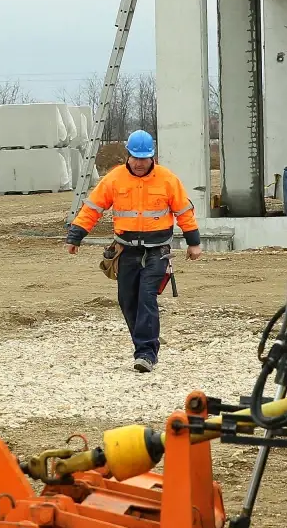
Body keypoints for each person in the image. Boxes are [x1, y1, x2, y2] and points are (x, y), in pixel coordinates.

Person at [66, 130, 202, 373]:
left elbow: (184, 212)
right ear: (128, 155)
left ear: (153, 157)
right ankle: (145, 342)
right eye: (135, 158)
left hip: (157, 250)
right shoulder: (113, 179)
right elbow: (93, 209)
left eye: (145, 158)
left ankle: (146, 353)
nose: (139, 163)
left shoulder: (168, 180)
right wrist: (76, 236)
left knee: (146, 297)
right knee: (127, 300)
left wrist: (194, 242)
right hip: (126, 251)